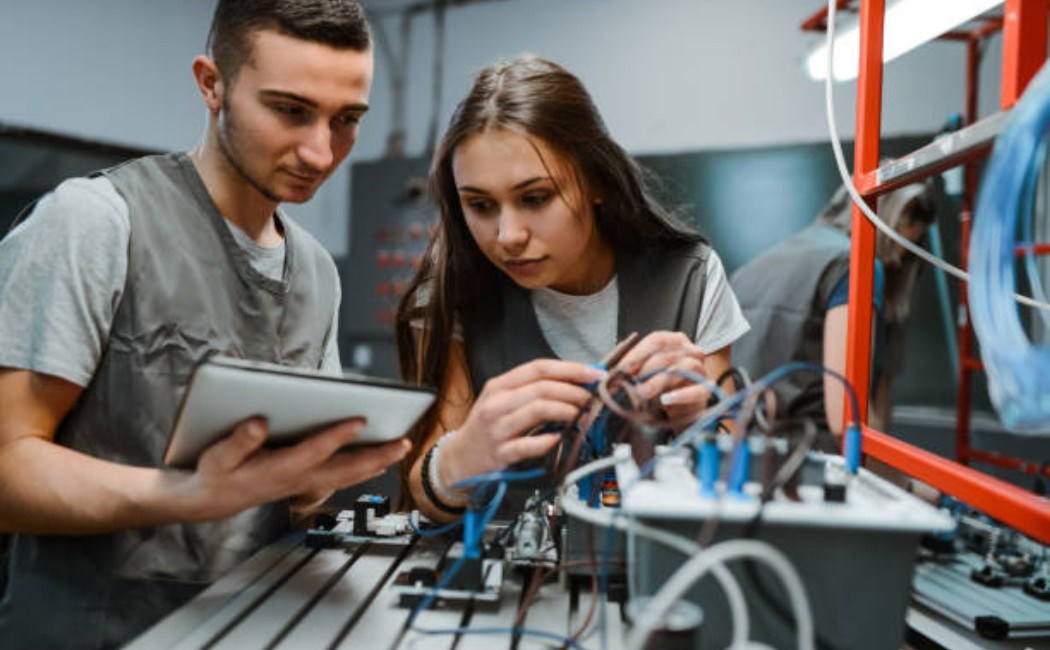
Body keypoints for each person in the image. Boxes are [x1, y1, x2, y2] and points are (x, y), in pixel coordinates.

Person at [0, 2, 410, 647]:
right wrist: (186, 493)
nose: (320, 151)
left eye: (348, 120)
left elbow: (292, 495)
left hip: (254, 626)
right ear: (211, 83)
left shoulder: (316, 271)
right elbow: (8, 467)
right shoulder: (96, 222)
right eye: (291, 110)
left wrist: (336, 470)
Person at [396, 56, 750, 522]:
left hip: (651, 571)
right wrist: (460, 457)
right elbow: (427, 496)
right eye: (480, 205)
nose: (507, 236)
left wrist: (700, 413)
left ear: (596, 181)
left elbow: (733, 467)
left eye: (535, 198)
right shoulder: (453, 291)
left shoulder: (691, 277)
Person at [730, 180, 936, 449]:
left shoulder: (750, 269)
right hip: (812, 461)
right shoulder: (855, 265)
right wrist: (907, 485)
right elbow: (845, 420)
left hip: (741, 456)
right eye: (903, 244)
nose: (898, 261)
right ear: (895, 222)